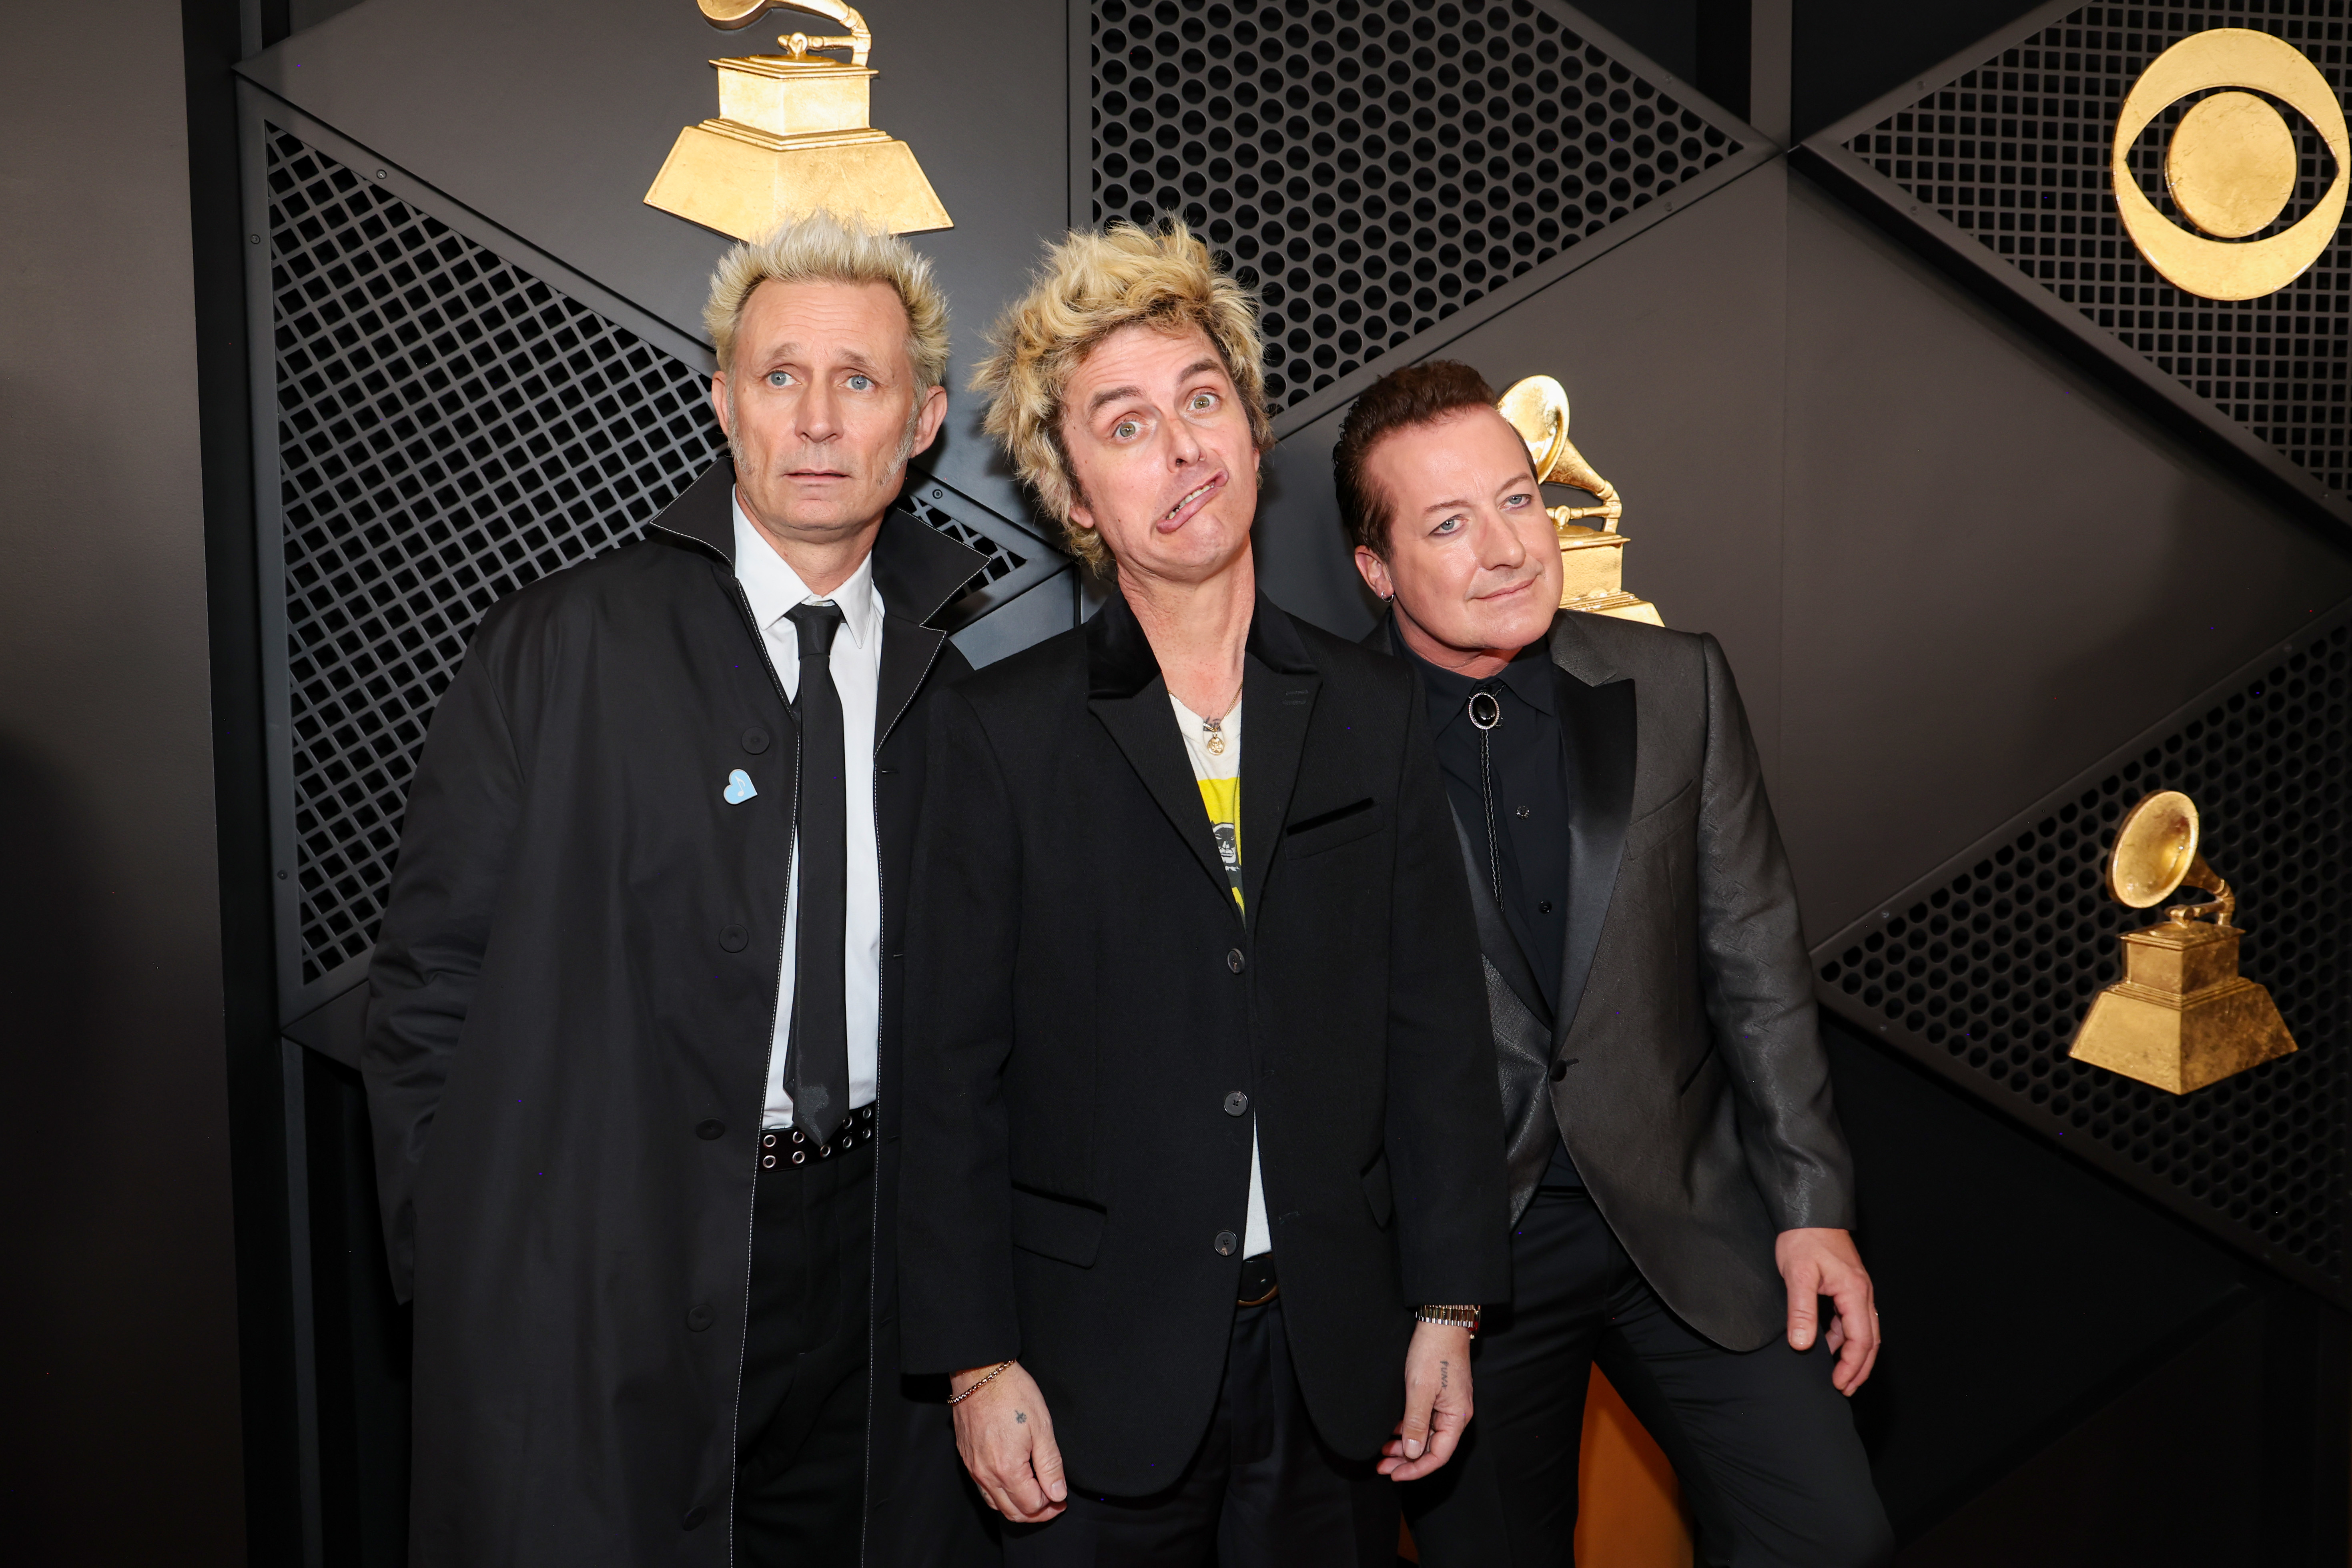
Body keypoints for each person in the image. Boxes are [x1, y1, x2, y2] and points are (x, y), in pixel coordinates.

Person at [361, 215, 996, 1566]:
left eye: (860, 382)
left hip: (878, 1256)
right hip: (610, 1255)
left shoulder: (965, 696)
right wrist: (474, 1265)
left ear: (925, 420)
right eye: (779, 377)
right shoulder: (560, 646)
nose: (817, 421)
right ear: (723, 401)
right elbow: (428, 987)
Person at [894, 224, 1511, 1568]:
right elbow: (945, 1078)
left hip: (1338, 1356)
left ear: (1251, 424)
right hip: (1085, 1376)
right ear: (1072, 496)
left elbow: (1437, 1035)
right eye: (1126, 426)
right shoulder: (1000, 739)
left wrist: (1450, 1308)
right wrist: (974, 1365)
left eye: (1201, 401)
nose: (1181, 450)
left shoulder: (1368, 709)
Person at [1338, 361, 1895, 1568]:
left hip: (1690, 1220)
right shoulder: (1318, 741)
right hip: (1460, 1270)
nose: (1507, 548)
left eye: (1517, 501)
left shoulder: (1674, 682)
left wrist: (1813, 1209)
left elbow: (1757, 964)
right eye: (1448, 523)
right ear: (1376, 570)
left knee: (1833, 1539)